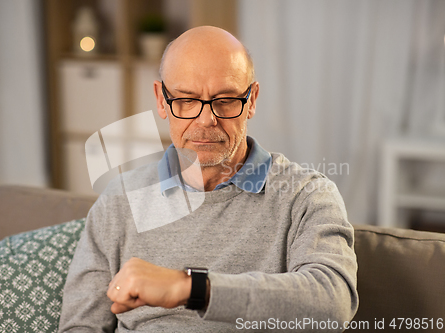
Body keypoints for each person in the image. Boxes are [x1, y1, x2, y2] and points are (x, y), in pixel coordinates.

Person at [58, 26, 358, 332]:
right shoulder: (119, 199)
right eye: (187, 100)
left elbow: (334, 303)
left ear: (251, 100)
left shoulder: (306, 195)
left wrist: (192, 288)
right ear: (162, 101)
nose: (206, 119)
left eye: (225, 100)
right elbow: (80, 326)